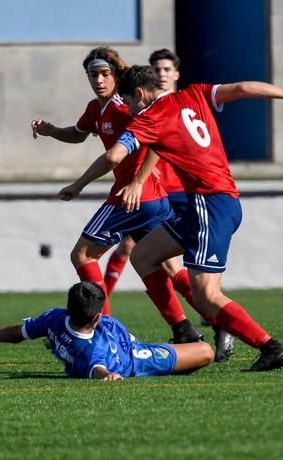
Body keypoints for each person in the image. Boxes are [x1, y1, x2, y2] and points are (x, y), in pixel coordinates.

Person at [59, 65, 283, 371]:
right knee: (145, 256)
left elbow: (113, 156)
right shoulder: (195, 93)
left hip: (208, 204)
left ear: (139, 94)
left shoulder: (149, 118)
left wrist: (79, 184)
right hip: (211, 201)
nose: (131, 111)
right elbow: (242, 88)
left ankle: (269, 346)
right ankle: (183, 329)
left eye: (130, 102)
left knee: (206, 295)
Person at [31, 47, 204, 345]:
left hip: (132, 198)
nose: (98, 80)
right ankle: (198, 323)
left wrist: (131, 181)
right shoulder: (95, 108)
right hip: (151, 200)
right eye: (92, 75)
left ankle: (103, 332)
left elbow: (155, 140)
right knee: (164, 265)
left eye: (104, 74)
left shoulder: (124, 106)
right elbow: (78, 133)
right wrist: (51, 131)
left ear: (115, 75)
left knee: (83, 255)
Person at [100, 48, 235, 362]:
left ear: (176, 74)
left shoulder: (181, 102)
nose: (161, 73)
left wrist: (138, 179)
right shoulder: (147, 105)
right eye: (156, 69)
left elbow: (156, 146)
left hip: (184, 195)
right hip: (161, 192)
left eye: (166, 69)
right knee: (141, 255)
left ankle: (210, 320)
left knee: (169, 265)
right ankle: (193, 326)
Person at [0, 281, 214, 380]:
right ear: (98, 316)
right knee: (205, 351)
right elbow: (96, 368)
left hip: (126, 346)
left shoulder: (54, 318)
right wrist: (108, 376)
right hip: (137, 358)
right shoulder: (90, 351)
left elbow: (16, 333)